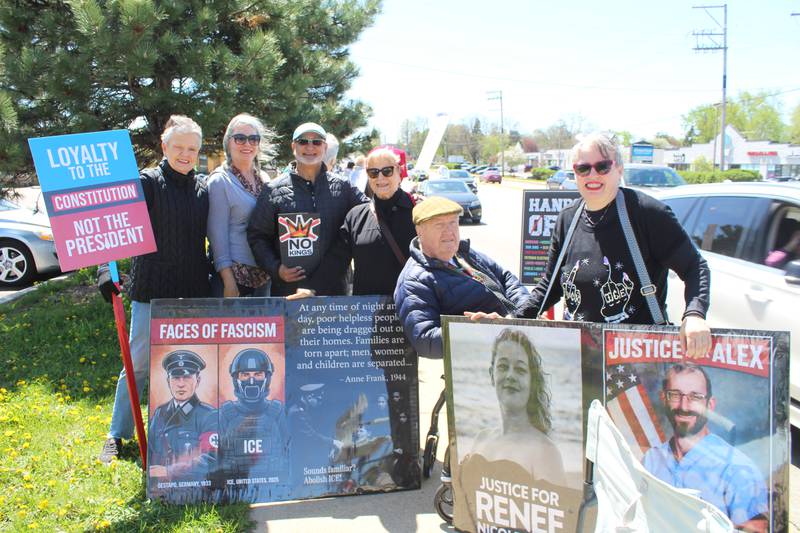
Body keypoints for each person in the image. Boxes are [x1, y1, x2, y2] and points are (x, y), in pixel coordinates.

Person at [519, 133, 711, 359]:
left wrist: (694, 315)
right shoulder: (566, 219)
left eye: (602, 166)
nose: (592, 175)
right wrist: (511, 318)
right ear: (575, 172)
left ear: (619, 169)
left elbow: (695, 267)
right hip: (580, 355)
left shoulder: (647, 213)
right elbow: (549, 287)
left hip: (638, 357)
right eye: (583, 168)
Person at [97, 115, 210, 463]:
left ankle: (182, 431)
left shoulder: (203, 189)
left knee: (188, 368)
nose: (185, 154)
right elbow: (114, 224)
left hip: (192, 294)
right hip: (151, 291)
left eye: (192, 148)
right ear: (164, 146)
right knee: (138, 365)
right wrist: (105, 269)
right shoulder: (146, 182)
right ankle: (118, 434)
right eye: (179, 147)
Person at [394, 196, 530, 358]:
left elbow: (506, 278)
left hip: (512, 340)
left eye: (453, 223)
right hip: (479, 361)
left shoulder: (463, 253)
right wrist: (475, 329)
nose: (449, 232)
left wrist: (524, 314)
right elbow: (425, 342)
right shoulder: (414, 280)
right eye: (440, 225)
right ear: (419, 231)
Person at [246, 122, 368, 297]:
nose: (310, 147)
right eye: (303, 141)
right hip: (288, 293)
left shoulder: (344, 187)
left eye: (317, 142)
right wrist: (276, 268)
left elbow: (369, 214)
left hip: (333, 293)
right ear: (293, 146)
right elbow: (257, 236)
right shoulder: (273, 190)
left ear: (325, 148)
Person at [642, 364, 768, 532]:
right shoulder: (650, 460)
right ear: (663, 398)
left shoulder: (739, 470)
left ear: (710, 404)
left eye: (695, 397)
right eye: (675, 395)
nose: (684, 406)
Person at [466, 328, 566, 484]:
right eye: (503, 366)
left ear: (532, 381)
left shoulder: (545, 451)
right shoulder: (481, 439)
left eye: (520, 369)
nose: (510, 376)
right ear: (492, 374)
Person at [332, 147, 416, 296]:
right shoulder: (355, 216)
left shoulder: (419, 213)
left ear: (399, 172)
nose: (380, 178)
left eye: (387, 171)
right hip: (368, 313)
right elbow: (335, 262)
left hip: (411, 310)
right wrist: (310, 289)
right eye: (373, 172)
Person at [207, 113, 274, 297]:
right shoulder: (220, 181)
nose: (247, 144)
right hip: (233, 281)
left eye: (253, 139)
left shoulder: (265, 178)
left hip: (263, 278)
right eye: (240, 138)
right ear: (228, 142)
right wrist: (228, 282)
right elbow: (216, 236)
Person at [217, 348, 289, 502]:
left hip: (275, 489)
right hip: (235, 491)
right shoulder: (226, 414)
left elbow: (288, 451)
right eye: (245, 375)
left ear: (267, 378)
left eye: (258, 374)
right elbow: (218, 456)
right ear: (236, 378)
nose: (251, 380)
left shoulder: (277, 412)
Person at [148, 350, 218, 483]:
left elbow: (211, 459)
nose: (181, 384)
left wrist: (169, 471)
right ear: (168, 381)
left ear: (197, 380)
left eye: (186, 377)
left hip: (197, 489)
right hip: (162, 491)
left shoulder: (209, 415)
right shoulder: (160, 413)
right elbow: (150, 452)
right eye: (175, 378)